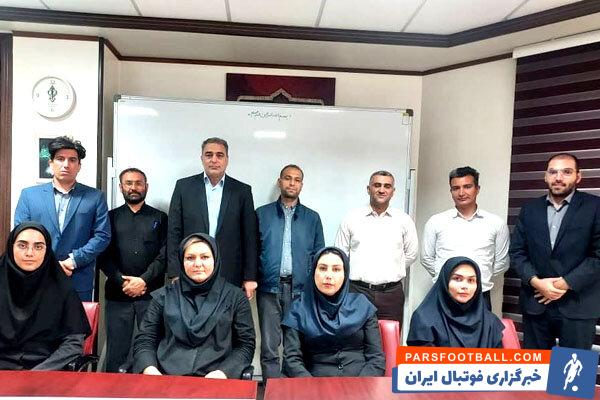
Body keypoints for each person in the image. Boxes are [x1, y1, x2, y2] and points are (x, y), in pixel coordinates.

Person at [510, 153, 600, 350]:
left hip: (578, 305)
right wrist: (536, 282)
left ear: (578, 176)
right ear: (545, 176)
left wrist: (564, 283)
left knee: (573, 368)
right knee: (535, 367)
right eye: (553, 172)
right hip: (535, 303)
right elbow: (517, 252)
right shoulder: (530, 209)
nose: (558, 177)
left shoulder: (595, 207)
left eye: (566, 172)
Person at [133, 233, 255, 378]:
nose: (197, 264)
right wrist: (150, 369)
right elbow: (145, 339)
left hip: (217, 378)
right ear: (182, 261)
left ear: (215, 260)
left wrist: (223, 372)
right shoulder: (163, 296)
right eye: (190, 258)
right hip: (166, 377)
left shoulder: (235, 297)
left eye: (205, 257)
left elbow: (245, 345)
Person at [14, 136, 111, 301]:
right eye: (60, 159)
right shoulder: (29, 195)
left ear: (79, 166)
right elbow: (21, 235)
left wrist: (73, 260)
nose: (66, 164)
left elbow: (102, 236)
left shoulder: (95, 197)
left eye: (72, 160)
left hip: (77, 277)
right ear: (51, 163)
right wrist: (50, 264)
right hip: (37, 277)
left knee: (77, 319)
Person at [256, 164, 325, 380]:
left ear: (301, 185)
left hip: (300, 292)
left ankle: (293, 390)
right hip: (269, 288)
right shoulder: (261, 214)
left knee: (295, 347)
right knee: (269, 346)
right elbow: (252, 250)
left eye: (297, 179)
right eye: (287, 178)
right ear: (280, 182)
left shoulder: (312, 218)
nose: (292, 183)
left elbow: (318, 255)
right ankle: (271, 389)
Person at [167, 137, 258, 299]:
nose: (214, 160)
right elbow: (174, 232)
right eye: (209, 155)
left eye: (219, 155)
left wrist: (250, 277)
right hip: (191, 269)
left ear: (227, 159)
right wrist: (174, 272)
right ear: (202, 158)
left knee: (227, 314)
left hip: (230, 271)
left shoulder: (242, 191)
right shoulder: (184, 187)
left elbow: (249, 237)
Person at [100, 168, 168, 372]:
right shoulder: (109, 217)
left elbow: (165, 255)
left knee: (152, 348)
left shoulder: (160, 217)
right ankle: (114, 387)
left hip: (152, 295)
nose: (134, 187)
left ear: (146, 187)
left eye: (139, 183)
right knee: (117, 351)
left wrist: (143, 280)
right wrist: (123, 282)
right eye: (129, 183)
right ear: (121, 187)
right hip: (117, 294)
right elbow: (103, 255)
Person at [282, 247, 385, 377]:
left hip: (360, 381)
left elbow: (376, 357)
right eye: (323, 268)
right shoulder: (298, 310)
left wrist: (360, 386)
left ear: (345, 274)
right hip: (315, 383)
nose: (329, 276)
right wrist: (311, 386)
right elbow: (292, 360)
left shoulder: (362, 306)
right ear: (313, 272)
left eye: (336, 269)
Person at [0, 222, 90, 370]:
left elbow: (73, 343)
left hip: (44, 369)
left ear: (47, 251)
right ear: (11, 247)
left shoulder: (62, 288)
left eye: (38, 247)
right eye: (22, 245)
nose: (29, 253)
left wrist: (37, 374)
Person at [335, 170, 418, 325]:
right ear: (368, 189)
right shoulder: (352, 218)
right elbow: (340, 255)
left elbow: (411, 254)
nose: (382, 190)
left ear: (393, 191)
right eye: (377, 185)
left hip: (391, 294)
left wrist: (392, 269)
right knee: (355, 337)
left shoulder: (404, 221)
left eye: (387, 186)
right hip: (357, 292)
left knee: (389, 338)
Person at [421, 166, 509, 310]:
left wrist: (477, 278)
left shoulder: (496, 223)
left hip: (480, 295)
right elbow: (426, 258)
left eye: (467, 187)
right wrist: (447, 277)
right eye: (456, 188)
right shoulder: (436, 221)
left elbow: (502, 262)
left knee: (483, 326)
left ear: (477, 189)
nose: (461, 193)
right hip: (444, 294)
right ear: (451, 191)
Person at [406, 256, 504, 348]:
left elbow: (498, 359)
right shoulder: (424, 319)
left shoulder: (490, 322)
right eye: (457, 279)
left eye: (471, 280)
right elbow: (421, 360)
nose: (464, 286)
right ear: (445, 281)